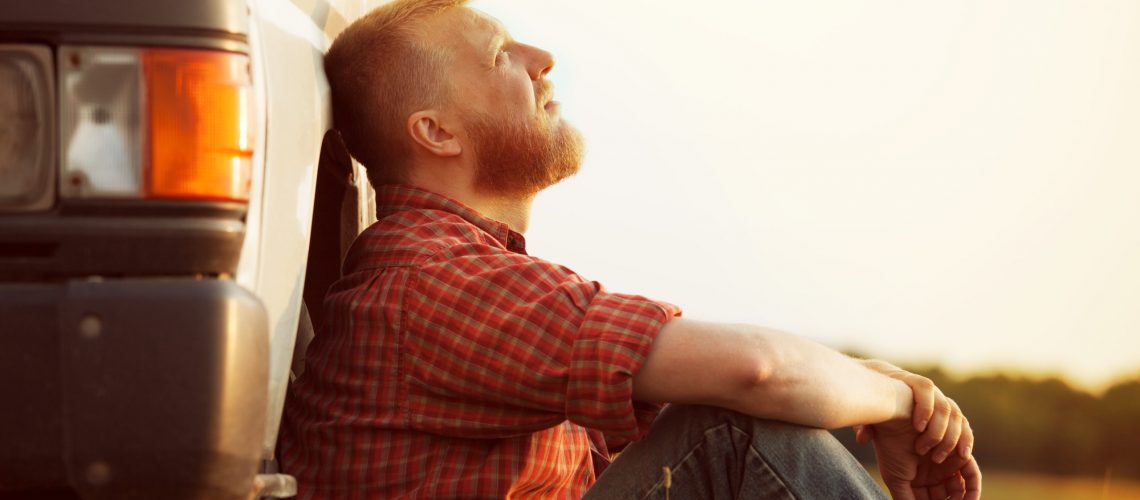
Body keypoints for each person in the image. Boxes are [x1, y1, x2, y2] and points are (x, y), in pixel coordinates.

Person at [278, 1, 983, 498]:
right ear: (436, 133)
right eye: (499, 54)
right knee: (731, 435)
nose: (541, 58)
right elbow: (756, 371)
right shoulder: (437, 280)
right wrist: (894, 399)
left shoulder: (456, 274)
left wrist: (869, 382)